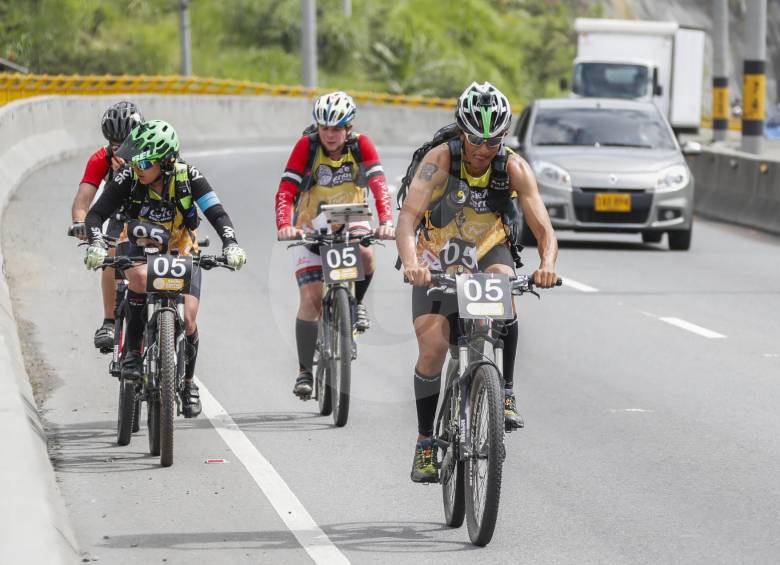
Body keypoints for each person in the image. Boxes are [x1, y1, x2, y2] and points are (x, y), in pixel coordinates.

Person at [396, 82, 559, 483]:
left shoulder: (514, 167)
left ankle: (504, 391)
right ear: (461, 133)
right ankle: (425, 443)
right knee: (433, 348)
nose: (483, 150)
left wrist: (547, 264)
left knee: (505, 291)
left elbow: (544, 228)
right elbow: (407, 219)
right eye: (475, 140)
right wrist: (412, 262)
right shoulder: (439, 161)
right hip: (438, 253)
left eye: (493, 141)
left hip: (488, 248)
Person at [83, 119, 247, 417]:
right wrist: (95, 242)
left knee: (189, 318)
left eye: (145, 162)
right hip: (135, 243)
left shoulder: (188, 176)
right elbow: (96, 214)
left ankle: (187, 382)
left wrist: (231, 244)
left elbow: (217, 212)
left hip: (180, 245)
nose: (138, 167)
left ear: (166, 160)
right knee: (140, 278)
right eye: (135, 160)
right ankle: (132, 353)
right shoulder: (127, 177)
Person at [275, 91, 394, 400]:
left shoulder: (361, 145)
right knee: (312, 298)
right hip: (310, 222)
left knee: (366, 253)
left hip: (350, 215)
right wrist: (285, 225)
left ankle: (356, 305)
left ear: (348, 128)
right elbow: (286, 189)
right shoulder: (307, 146)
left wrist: (386, 221)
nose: (330, 134)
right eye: (324, 128)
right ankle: (304, 371)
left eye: (336, 128)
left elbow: (379, 186)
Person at [70, 100, 143, 351]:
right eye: (116, 145)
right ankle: (109, 321)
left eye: (128, 145)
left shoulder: (153, 154)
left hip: (151, 216)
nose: (121, 151)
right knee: (110, 252)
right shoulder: (100, 159)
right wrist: (81, 224)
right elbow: (82, 201)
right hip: (118, 216)